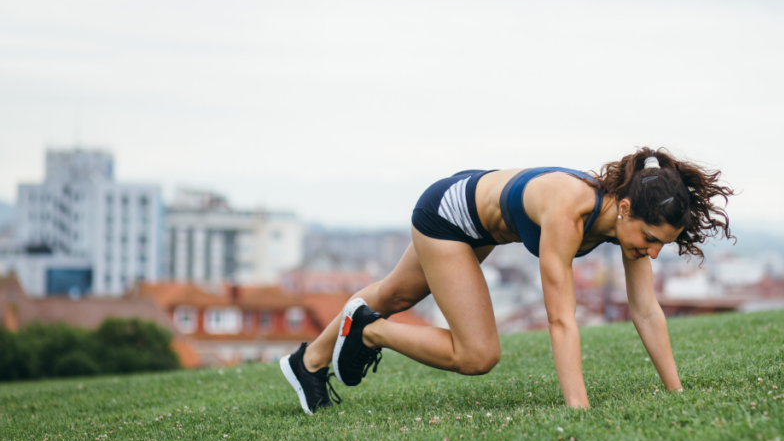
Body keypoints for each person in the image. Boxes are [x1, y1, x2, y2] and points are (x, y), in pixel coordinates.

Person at [280, 147, 734, 414]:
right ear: (628, 209)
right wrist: (580, 411)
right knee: (478, 354)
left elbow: (646, 309)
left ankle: (309, 363)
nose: (652, 252)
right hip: (448, 214)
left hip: (473, 215)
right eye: (651, 240)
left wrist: (676, 394)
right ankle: (370, 330)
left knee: (392, 293)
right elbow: (561, 319)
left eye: (662, 246)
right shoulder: (570, 210)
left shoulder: (627, 223)